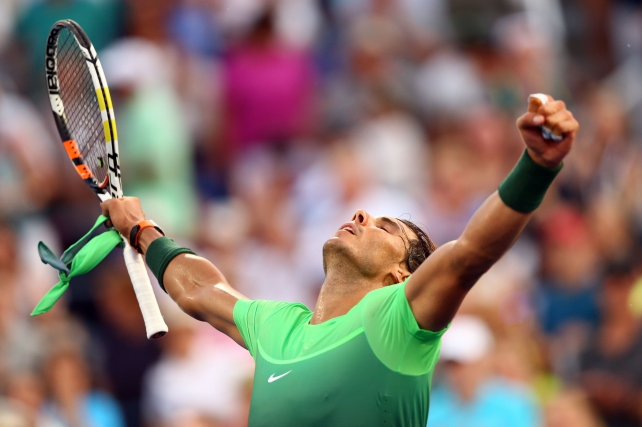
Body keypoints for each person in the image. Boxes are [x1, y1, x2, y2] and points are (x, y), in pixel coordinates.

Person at [101, 95, 579, 426]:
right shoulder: (277, 326)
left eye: (386, 227)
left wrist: (535, 168)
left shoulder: (400, 318)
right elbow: (200, 289)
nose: (362, 215)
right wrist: (142, 232)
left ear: (401, 275)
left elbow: (472, 251)